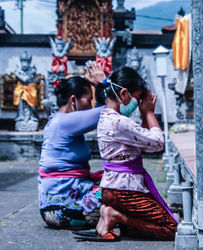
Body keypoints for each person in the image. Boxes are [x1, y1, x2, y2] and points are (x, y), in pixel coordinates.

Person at [75, 66, 178, 241]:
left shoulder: (105, 117)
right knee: (171, 227)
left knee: (146, 222)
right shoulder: (120, 122)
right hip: (125, 191)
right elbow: (158, 143)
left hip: (111, 189)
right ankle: (116, 217)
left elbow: (146, 144)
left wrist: (145, 115)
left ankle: (108, 214)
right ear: (123, 94)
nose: (137, 104)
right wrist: (149, 112)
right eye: (136, 98)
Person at [38, 63, 106, 229]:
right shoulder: (65, 122)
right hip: (68, 210)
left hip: (51, 211)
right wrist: (105, 83)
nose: (90, 105)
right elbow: (116, 109)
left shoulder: (57, 120)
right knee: (123, 186)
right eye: (88, 100)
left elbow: (101, 112)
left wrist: (97, 88)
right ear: (73, 100)